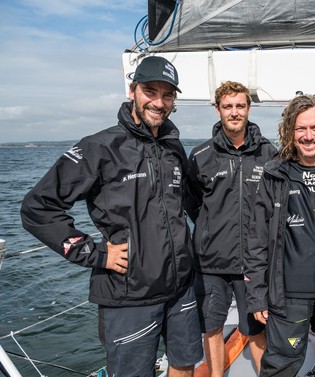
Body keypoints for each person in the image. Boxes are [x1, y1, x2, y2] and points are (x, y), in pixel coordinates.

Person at [20, 56, 203, 377]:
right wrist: (95, 253)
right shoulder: (100, 148)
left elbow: (190, 203)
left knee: (185, 364)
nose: (159, 103)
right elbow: (38, 208)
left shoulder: (173, 147)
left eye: (168, 95)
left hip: (181, 286)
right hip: (129, 295)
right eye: (150, 91)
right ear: (133, 91)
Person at [244, 94, 315, 376]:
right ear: (290, 131)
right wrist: (257, 294)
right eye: (301, 129)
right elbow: (257, 238)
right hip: (288, 294)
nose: (309, 136)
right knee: (281, 367)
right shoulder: (275, 173)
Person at [186, 81, 276, 376]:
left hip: (252, 261)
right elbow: (192, 203)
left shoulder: (268, 154)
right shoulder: (201, 156)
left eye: (240, 106)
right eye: (228, 106)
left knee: (255, 328)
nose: (234, 112)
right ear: (218, 109)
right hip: (211, 263)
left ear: (248, 108)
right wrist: (213, 230)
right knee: (211, 327)